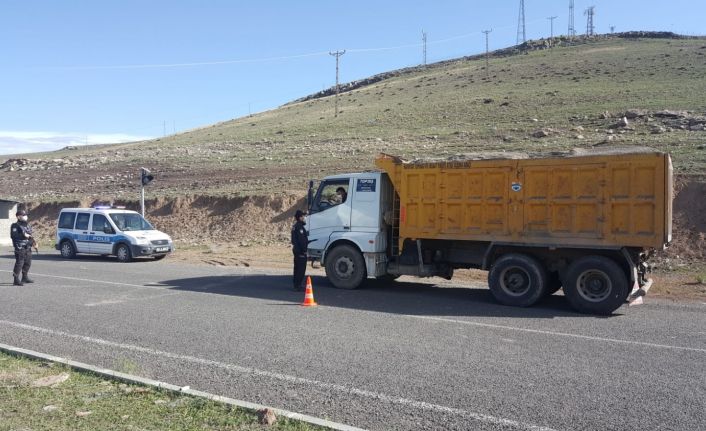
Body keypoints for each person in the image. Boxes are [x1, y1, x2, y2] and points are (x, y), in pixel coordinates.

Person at [10, 209, 34, 286]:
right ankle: (16, 279)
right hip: (20, 247)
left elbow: (30, 236)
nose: (25, 217)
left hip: (28, 247)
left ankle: (25, 277)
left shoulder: (27, 225)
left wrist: (33, 243)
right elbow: (14, 236)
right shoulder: (15, 225)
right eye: (24, 215)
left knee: (28, 263)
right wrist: (24, 235)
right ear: (18, 217)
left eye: (26, 215)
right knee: (19, 263)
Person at [291, 209, 309, 291]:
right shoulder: (299, 227)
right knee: (301, 269)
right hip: (300, 251)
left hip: (296, 250)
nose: (304, 217)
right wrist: (305, 250)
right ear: (299, 217)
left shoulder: (295, 226)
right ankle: (298, 286)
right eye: (303, 216)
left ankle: (296, 284)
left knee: (297, 268)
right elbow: (302, 241)